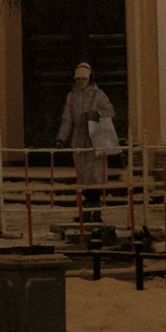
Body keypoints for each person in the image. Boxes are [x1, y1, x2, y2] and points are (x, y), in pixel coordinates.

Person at [57, 58, 118, 235]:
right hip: (79, 139)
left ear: (90, 78)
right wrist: (62, 138)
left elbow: (110, 110)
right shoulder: (72, 96)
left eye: (83, 79)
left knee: (95, 177)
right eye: (78, 79)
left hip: (94, 139)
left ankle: (95, 212)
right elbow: (67, 118)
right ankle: (85, 212)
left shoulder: (98, 95)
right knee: (83, 177)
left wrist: (96, 113)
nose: (80, 82)